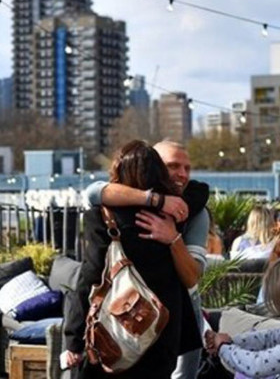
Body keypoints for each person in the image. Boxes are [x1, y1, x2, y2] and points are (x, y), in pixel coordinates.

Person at [64, 140, 208, 378]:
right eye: (173, 167)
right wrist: (161, 205)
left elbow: (90, 276)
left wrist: (73, 339)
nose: (182, 174)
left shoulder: (102, 215)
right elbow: (201, 192)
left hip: (114, 332)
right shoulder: (178, 212)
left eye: (186, 168)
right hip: (164, 332)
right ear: (158, 169)